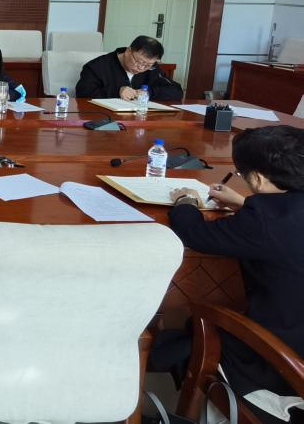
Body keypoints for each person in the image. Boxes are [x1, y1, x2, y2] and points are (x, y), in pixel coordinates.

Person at [154, 126, 304, 420]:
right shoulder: (273, 215)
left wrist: (185, 201)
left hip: (283, 364)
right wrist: (245, 203)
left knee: (185, 334)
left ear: (257, 179)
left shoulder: (263, 221)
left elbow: (194, 234)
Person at [75, 35, 183, 101]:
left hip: (141, 118)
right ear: (128, 51)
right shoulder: (97, 66)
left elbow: (176, 91)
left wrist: (149, 92)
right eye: (138, 61)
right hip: (105, 119)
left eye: (148, 65)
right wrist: (117, 91)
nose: (141, 68)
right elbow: (82, 92)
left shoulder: (152, 69)